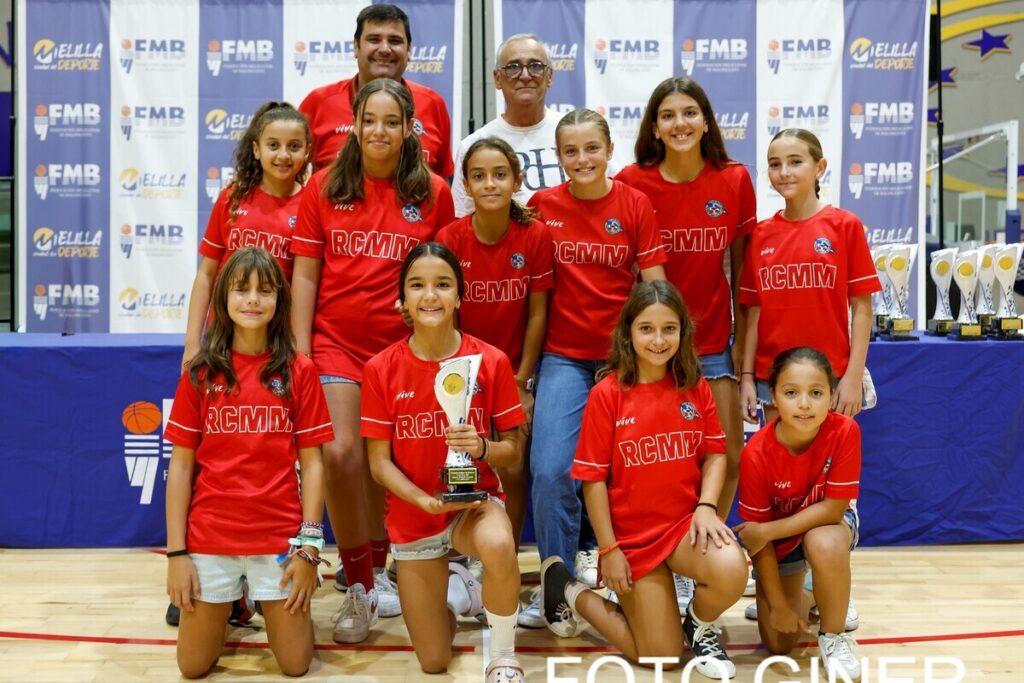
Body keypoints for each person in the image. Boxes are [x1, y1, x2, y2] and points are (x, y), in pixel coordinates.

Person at [290, 78, 455, 644]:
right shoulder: (322, 186)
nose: (379, 131)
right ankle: (358, 583)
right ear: (353, 126)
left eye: (392, 121)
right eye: (369, 120)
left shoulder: (433, 191)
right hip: (335, 341)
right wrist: (300, 352)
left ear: (410, 128)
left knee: (390, 466)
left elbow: (442, 277)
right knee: (340, 456)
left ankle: (385, 569)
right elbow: (306, 272)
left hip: (401, 350)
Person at [542, 280, 746, 679]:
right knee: (661, 658)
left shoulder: (695, 386)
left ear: (683, 332)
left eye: (669, 328)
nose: (658, 339)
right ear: (628, 332)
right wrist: (609, 549)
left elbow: (716, 455)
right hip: (632, 539)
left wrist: (706, 507)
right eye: (646, 328)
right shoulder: (607, 393)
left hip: (682, 529)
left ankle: (700, 624)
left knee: (732, 568)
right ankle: (568, 587)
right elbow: (593, 481)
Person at [525, 108, 666, 629]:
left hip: (621, 361)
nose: (581, 159)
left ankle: (615, 567)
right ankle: (555, 583)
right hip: (562, 356)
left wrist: (650, 359)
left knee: (620, 473)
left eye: (591, 148)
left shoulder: (634, 204)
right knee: (551, 470)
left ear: (610, 150)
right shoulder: (541, 206)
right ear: (558, 156)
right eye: (570, 150)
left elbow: (654, 289)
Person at [164, 247, 334, 678]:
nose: (253, 300)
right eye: (241, 290)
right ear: (223, 298)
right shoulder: (200, 373)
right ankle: (233, 603)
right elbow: (180, 468)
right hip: (210, 539)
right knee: (192, 666)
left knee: (295, 666)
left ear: (280, 299)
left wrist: (310, 547)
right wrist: (177, 555)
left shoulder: (299, 370)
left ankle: (255, 599)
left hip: (278, 541)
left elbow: (313, 466)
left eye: (264, 290)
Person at [361, 243, 527, 682]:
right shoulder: (380, 369)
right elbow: (378, 464)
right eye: (417, 285)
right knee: (434, 661)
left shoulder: (490, 361)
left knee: (497, 543)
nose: (430, 295)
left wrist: (483, 448)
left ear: (459, 296)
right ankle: (459, 593)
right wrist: (423, 501)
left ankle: (504, 654)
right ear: (402, 302)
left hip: (474, 505)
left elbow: (513, 450)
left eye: (442, 285)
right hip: (416, 515)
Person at [617, 77, 755, 521]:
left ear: (706, 122)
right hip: (651, 343)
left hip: (713, 340)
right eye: (668, 115)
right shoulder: (631, 182)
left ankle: (708, 537)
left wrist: (740, 343)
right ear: (654, 128)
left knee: (728, 454)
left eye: (689, 113)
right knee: (662, 456)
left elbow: (743, 273)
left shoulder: (733, 179)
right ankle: (667, 550)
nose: (680, 123)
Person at [436, 136, 553, 551]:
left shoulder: (534, 236)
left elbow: (538, 314)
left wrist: (521, 383)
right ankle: (456, 555)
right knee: (460, 463)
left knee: (515, 466)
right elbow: (447, 315)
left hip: (514, 374)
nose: (490, 184)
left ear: (517, 180)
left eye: (500, 175)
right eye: (479, 176)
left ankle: (505, 553)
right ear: (465, 185)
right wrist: (461, 385)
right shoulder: (450, 238)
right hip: (462, 374)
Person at [734, 347, 863, 680]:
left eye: (816, 393)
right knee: (778, 644)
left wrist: (768, 532)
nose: (804, 403)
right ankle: (816, 591)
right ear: (773, 397)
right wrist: (777, 604)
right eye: (791, 393)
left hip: (826, 524)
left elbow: (834, 509)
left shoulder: (845, 431)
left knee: (824, 542)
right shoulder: (755, 453)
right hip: (777, 542)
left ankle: (835, 637)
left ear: (832, 396)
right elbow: (756, 537)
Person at [738, 128, 880, 425]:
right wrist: (748, 378)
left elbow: (862, 308)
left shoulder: (845, 226)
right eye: (775, 164)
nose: (784, 172)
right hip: (773, 379)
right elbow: (753, 312)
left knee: (829, 468)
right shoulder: (761, 234)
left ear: (820, 168)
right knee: (782, 469)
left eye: (795, 162)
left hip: (831, 377)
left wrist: (853, 377)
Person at [183, 101, 311, 371]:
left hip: (277, 342)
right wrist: (192, 343)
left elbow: (305, 283)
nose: (284, 155)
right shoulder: (232, 198)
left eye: (294, 146)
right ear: (256, 149)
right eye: (273, 145)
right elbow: (206, 274)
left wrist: (300, 348)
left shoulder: (310, 205)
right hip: (222, 337)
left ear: (307, 151)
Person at [299, 3, 453, 177]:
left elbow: (442, 185)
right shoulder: (318, 103)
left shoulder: (433, 104)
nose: (385, 49)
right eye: (374, 40)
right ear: (356, 46)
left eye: (395, 41)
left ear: (409, 50)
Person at [451, 34, 566, 217]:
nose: (526, 75)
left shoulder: (575, 135)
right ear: (497, 78)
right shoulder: (474, 145)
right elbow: (463, 218)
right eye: (513, 67)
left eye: (536, 66)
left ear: (549, 76)